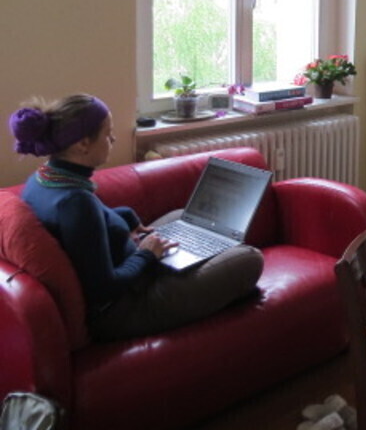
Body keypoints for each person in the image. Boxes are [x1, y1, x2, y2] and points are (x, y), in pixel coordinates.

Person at [9, 94, 263, 341]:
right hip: (123, 308)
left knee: (182, 217)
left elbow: (83, 228)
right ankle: (218, 279)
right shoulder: (75, 203)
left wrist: (125, 217)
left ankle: (199, 265)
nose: (114, 138)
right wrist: (147, 254)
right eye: (108, 134)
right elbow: (104, 289)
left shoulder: (43, 179)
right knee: (250, 258)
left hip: (131, 265)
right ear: (82, 144)